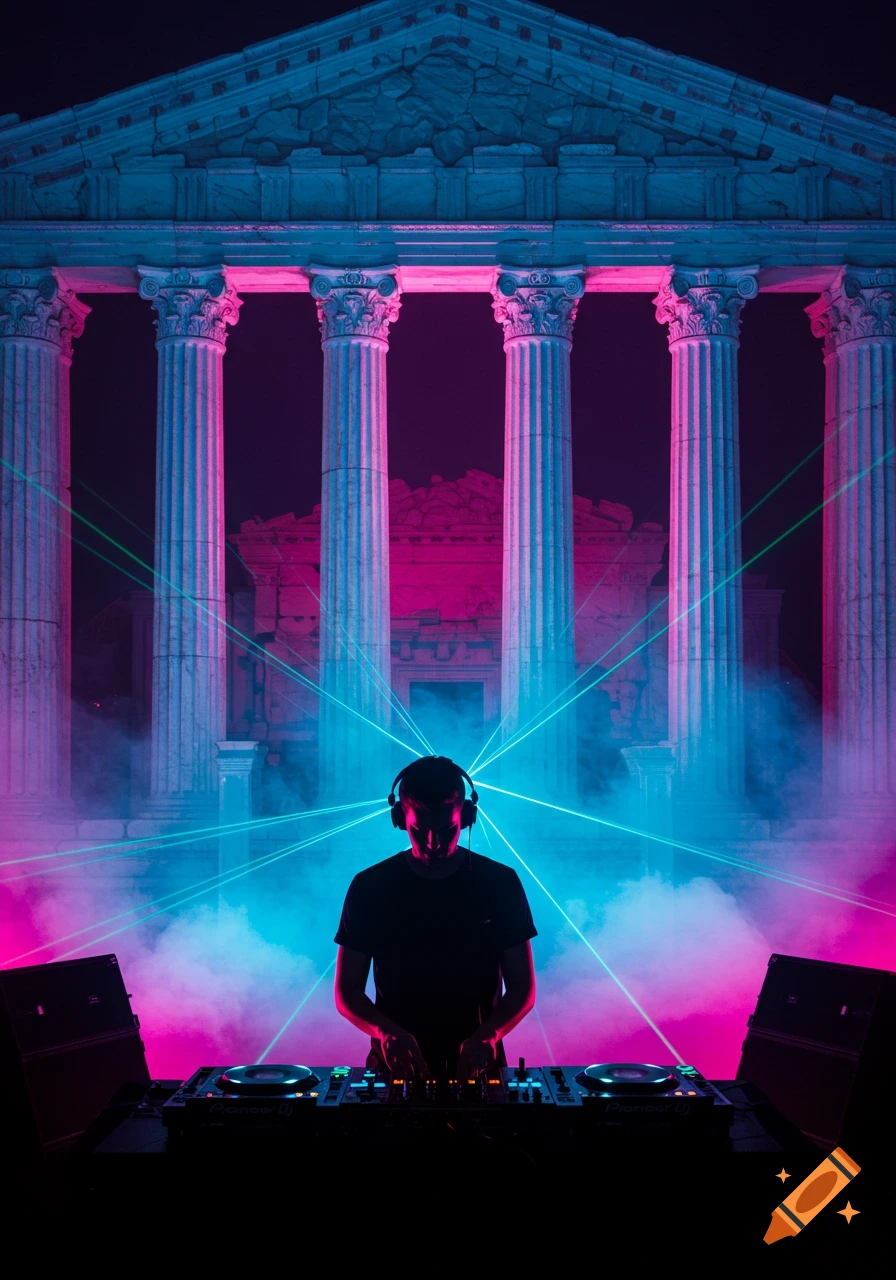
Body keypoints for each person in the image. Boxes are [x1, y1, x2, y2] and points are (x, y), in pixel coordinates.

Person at [334, 755, 537, 1079]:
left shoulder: (499, 883)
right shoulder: (370, 886)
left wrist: (489, 1035)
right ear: (400, 817)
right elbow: (347, 992)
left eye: (447, 830)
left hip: (480, 1069)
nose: (433, 843)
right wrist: (386, 1033)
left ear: (467, 817)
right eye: (420, 829)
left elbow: (522, 988)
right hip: (394, 1068)